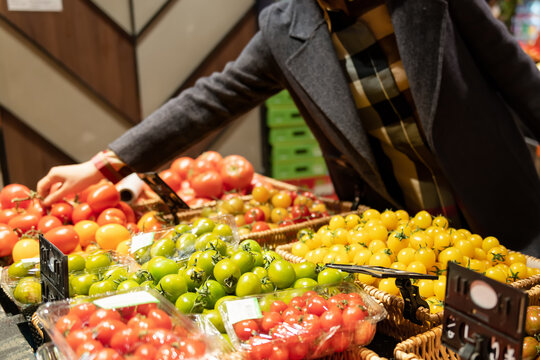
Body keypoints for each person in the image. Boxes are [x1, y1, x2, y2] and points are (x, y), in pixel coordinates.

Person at [37, 0, 540, 257]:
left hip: (502, 209)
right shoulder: (287, 27)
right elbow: (209, 100)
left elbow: (521, 82)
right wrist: (102, 167)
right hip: (401, 231)